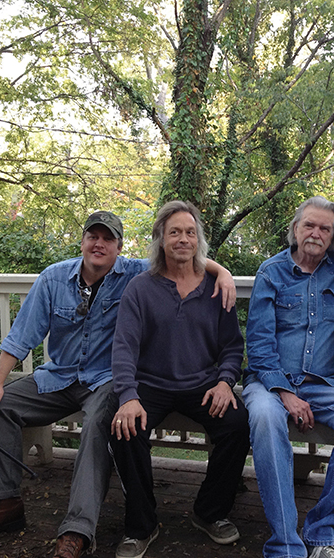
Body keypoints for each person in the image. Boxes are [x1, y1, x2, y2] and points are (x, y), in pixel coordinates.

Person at [0, 211, 236, 558]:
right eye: (93, 237)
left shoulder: (135, 273)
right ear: (83, 241)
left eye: (108, 239)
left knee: (98, 424)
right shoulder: (53, 278)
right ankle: (3, 505)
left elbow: (181, 255)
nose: (99, 244)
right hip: (58, 376)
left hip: (106, 379)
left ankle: (77, 529)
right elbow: (21, 335)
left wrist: (221, 272)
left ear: (120, 246)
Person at [109, 201, 249, 558]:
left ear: (198, 239)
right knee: (124, 428)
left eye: (189, 232)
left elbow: (232, 346)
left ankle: (210, 512)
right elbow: (123, 347)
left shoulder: (217, 287)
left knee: (237, 423)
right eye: (174, 232)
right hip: (149, 385)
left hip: (202, 384)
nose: (183, 239)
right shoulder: (140, 288)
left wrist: (225, 381)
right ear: (161, 239)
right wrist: (128, 395)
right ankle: (142, 526)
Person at [244, 196, 334, 558]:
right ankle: (285, 543)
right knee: (266, 418)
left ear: (333, 237)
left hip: (323, 382)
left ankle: (322, 536)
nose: (316, 233)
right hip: (270, 382)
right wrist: (286, 393)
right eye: (309, 225)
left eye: (324, 229)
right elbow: (258, 344)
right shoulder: (271, 272)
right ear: (295, 229)